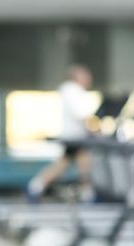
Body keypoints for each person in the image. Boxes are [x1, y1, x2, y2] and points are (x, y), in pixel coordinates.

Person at [26, 64, 95, 202]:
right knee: (68, 163)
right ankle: (36, 186)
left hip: (76, 135)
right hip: (74, 136)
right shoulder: (73, 91)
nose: (89, 79)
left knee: (80, 161)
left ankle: (87, 192)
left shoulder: (71, 90)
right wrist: (95, 128)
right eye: (86, 77)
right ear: (78, 77)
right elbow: (82, 115)